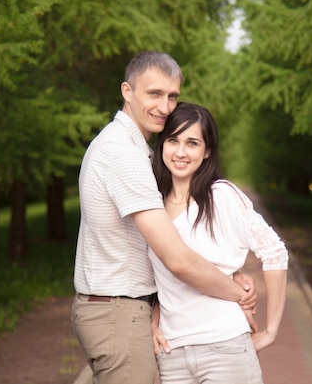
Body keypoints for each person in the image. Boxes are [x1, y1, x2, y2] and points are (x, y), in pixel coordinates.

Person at [71, 51, 257, 384]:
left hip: (125, 311)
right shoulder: (122, 155)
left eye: (172, 96)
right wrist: (235, 293)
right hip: (117, 312)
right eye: (154, 93)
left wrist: (231, 269)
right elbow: (176, 258)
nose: (166, 106)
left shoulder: (140, 153)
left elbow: (176, 235)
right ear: (127, 92)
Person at [149, 102, 289, 384]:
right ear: (162, 144)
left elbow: (275, 252)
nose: (180, 152)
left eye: (192, 143)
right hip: (172, 354)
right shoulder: (151, 207)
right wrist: (153, 321)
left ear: (207, 151)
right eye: (173, 140)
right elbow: (156, 278)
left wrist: (272, 330)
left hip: (225, 348)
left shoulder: (222, 196)